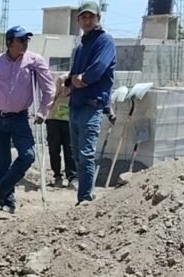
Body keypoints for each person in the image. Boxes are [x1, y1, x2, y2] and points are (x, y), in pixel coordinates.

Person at [0, 26, 54, 213]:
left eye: (26, 40)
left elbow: (49, 89)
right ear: (9, 42)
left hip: (20, 118)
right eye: (21, 40)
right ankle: (6, 201)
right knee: (2, 163)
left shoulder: (34, 62)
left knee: (28, 155)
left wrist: (43, 111)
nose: (25, 43)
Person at [66, 1, 116, 205]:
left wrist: (82, 80)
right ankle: (85, 195)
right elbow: (72, 76)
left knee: (86, 155)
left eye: (90, 17)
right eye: (83, 17)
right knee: (77, 155)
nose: (87, 21)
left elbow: (98, 68)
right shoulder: (80, 48)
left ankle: (85, 198)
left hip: (91, 106)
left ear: (98, 18)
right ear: (79, 20)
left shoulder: (105, 41)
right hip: (75, 106)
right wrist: (71, 81)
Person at [46, 74, 76, 188]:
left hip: (71, 120)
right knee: (54, 149)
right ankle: (57, 176)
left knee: (70, 150)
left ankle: (72, 177)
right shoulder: (63, 78)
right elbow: (58, 94)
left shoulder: (86, 79)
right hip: (54, 118)